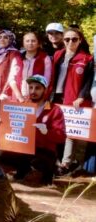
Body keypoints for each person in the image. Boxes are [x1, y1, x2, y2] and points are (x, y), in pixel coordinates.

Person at [0, 75, 66, 185]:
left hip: (44, 152)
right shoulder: (23, 106)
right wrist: (1, 124)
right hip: (23, 150)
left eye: (37, 88)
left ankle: (44, 173)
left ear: (45, 90)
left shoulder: (54, 109)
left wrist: (47, 132)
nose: (33, 91)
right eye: (31, 87)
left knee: (37, 170)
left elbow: (61, 137)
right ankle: (22, 172)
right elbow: (12, 127)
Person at [52, 28, 94, 175]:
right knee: (57, 129)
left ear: (80, 40)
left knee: (72, 132)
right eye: (67, 39)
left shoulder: (87, 58)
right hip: (57, 97)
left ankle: (67, 163)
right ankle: (58, 161)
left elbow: (89, 80)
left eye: (74, 39)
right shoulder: (58, 55)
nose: (70, 42)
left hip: (75, 99)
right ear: (63, 40)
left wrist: (82, 96)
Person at [18, 32, 53, 98]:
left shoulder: (45, 58)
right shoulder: (18, 58)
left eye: (33, 41)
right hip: (19, 96)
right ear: (23, 43)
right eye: (27, 41)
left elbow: (47, 79)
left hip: (37, 97)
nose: (30, 43)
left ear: (38, 43)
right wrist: (19, 96)